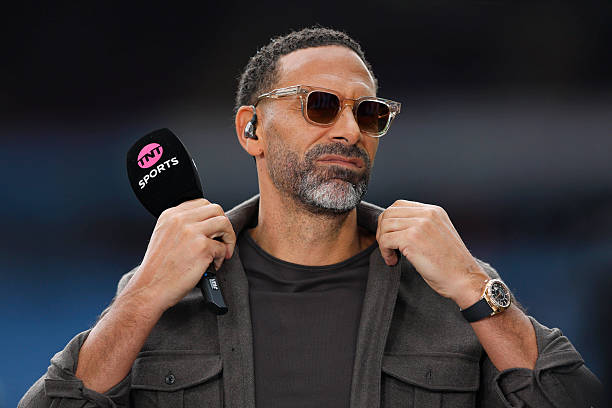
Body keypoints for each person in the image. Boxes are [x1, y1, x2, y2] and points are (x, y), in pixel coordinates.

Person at [20, 27, 601, 408]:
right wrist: (144, 296)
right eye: (319, 106)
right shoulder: (164, 290)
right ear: (252, 128)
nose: (349, 130)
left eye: (369, 114)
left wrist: (474, 285)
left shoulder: (449, 287)